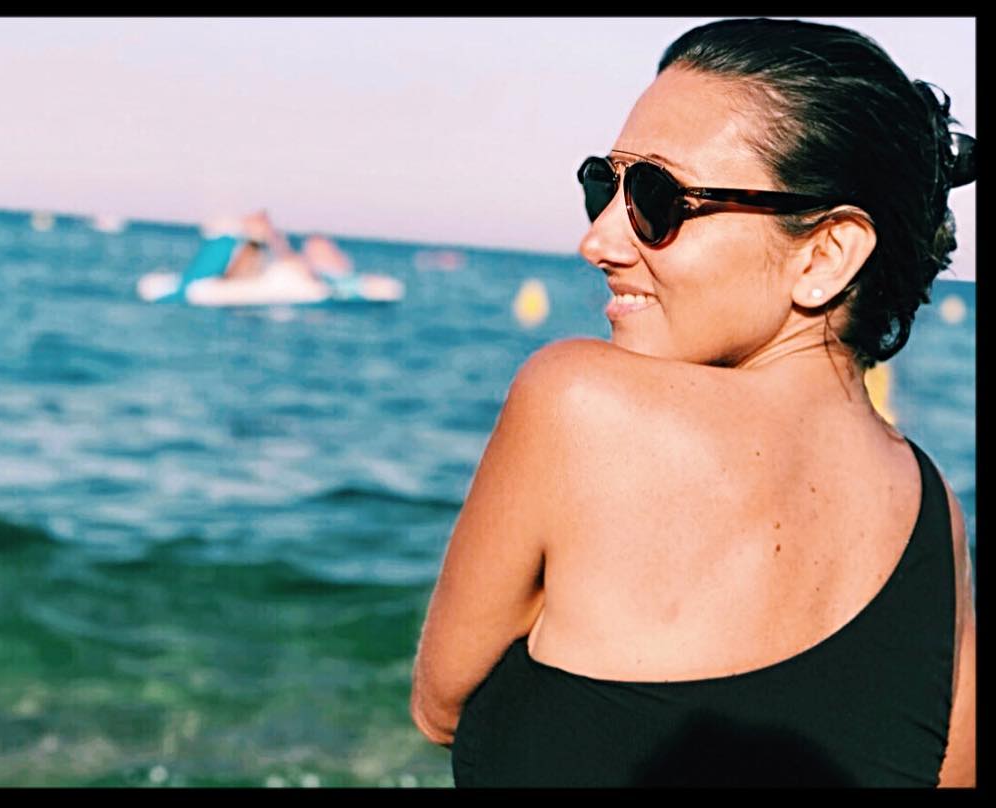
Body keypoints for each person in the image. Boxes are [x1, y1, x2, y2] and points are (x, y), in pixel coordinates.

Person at [410, 18, 975, 787]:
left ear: (826, 253)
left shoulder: (578, 402)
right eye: (603, 186)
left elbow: (439, 708)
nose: (599, 241)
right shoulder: (936, 512)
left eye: (658, 198)